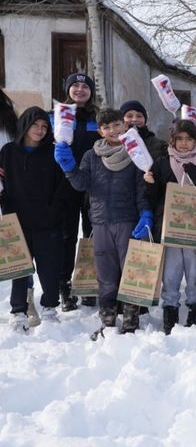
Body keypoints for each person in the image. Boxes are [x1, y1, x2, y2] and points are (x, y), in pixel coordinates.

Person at [55, 108, 151, 334]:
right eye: (106, 127)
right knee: (106, 273)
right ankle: (107, 319)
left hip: (127, 220)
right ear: (100, 131)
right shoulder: (91, 156)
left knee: (130, 271)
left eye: (117, 125)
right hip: (100, 222)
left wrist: (146, 213)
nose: (113, 130)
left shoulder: (136, 153)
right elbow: (81, 184)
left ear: (124, 126)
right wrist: (69, 168)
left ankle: (130, 320)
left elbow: (141, 190)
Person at [143, 120, 196, 333]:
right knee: (171, 273)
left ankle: (195, 313)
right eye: (180, 139)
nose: (184, 144)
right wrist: (149, 184)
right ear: (173, 140)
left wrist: (195, 172)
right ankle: (170, 312)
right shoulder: (161, 162)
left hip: (195, 228)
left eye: (189, 139)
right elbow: (153, 197)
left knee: (195, 272)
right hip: (170, 228)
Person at [1, 107, 71, 331]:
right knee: (20, 269)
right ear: (25, 125)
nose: (40, 130)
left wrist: (55, 210)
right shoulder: (8, 152)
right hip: (17, 222)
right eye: (35, 125)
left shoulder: (53, 152)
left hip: (47, 222)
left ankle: (50, 308)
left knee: (49, 267)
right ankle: (18, 311)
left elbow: (64, 185)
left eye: (44, 127)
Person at [58, 73, 101, 312]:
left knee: (92, 234)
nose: (80, 89)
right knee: (67, 236)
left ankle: (88, 284)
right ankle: (64, 287)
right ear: (68, 89)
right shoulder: (60, 115)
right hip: (66, 184)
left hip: (94, 185)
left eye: (85, 86)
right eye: (75, 85)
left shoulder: (98, 117)